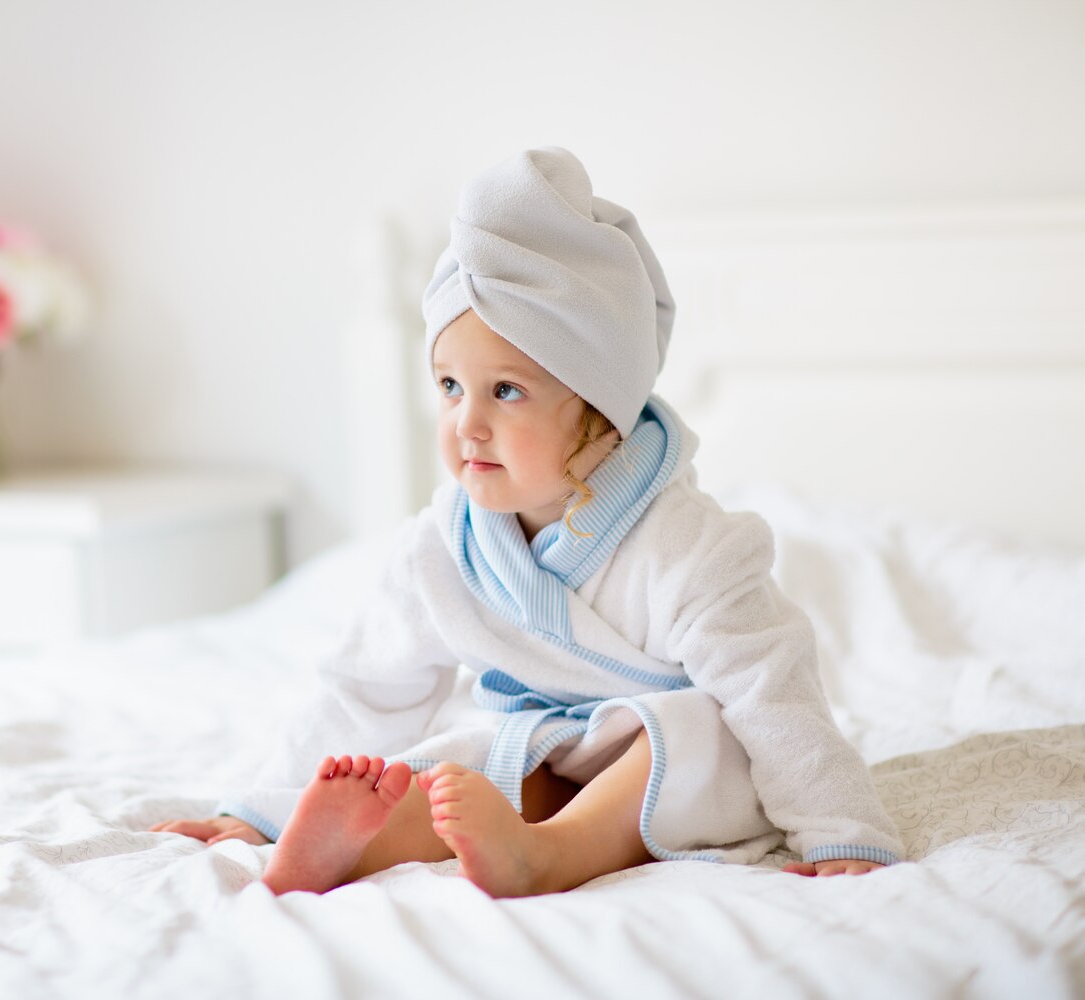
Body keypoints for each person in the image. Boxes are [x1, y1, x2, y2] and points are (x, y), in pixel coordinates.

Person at [151, 147, 903, 898]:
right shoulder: (445, 547)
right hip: (543, 752)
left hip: (661, 762)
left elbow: (773, 692)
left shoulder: (689, 546)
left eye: (506, 391)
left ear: (602, 412)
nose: (466, 424)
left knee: (703, 730)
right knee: (455, 770)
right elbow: (366, 689)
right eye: (450, 386)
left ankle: (549, 855)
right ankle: (356, 841)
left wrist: (842, 830)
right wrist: (253, 811)